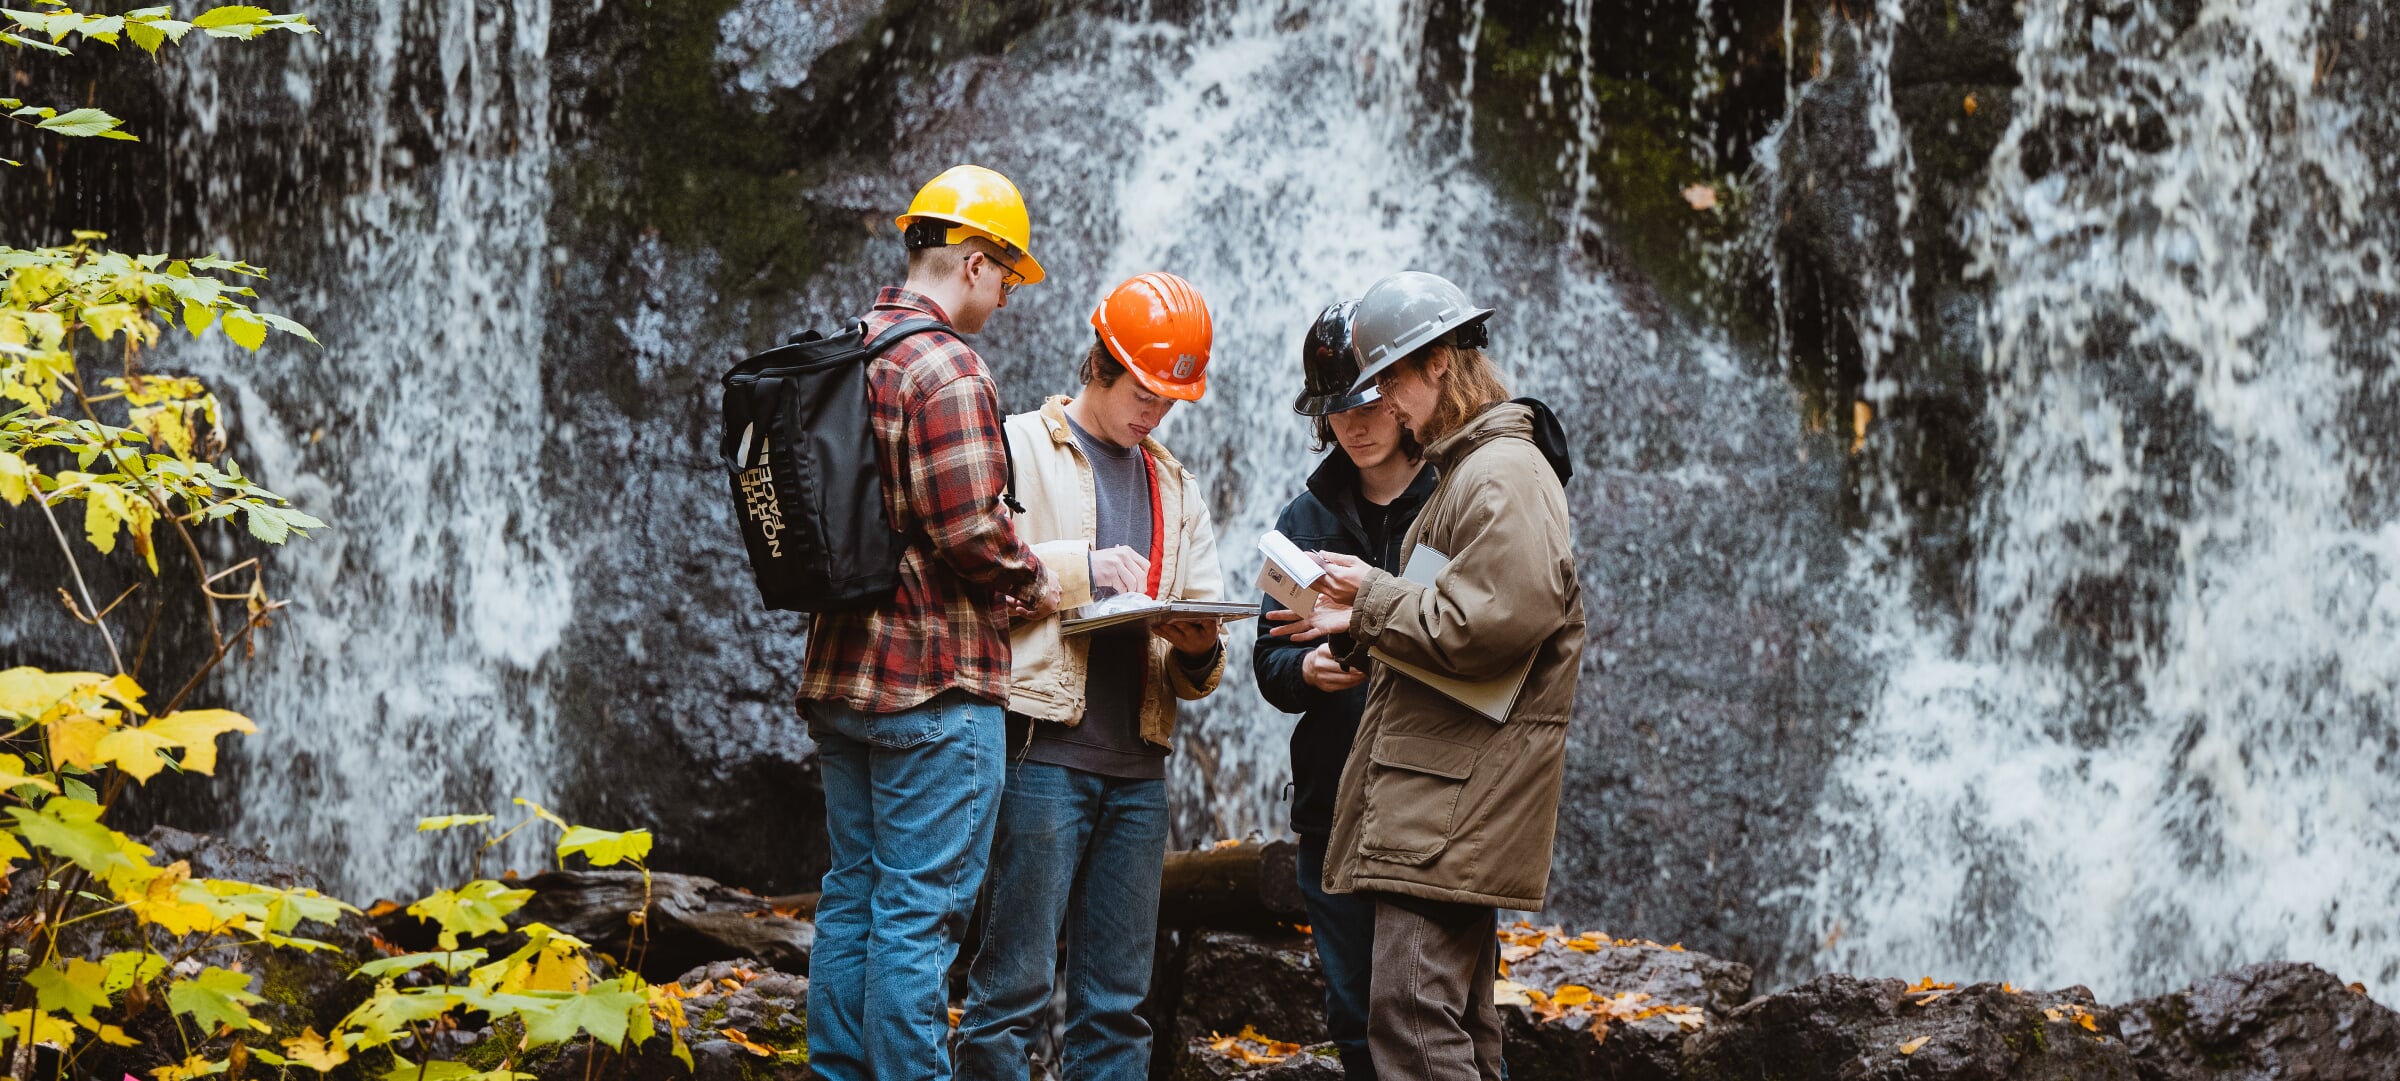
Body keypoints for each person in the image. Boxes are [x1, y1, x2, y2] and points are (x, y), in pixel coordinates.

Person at [1271, 271, 1582, 1081]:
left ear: (1439, 364)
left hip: (1444, 805)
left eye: (1391, 387)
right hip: (1419, 801)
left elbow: (1488, 626)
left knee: (1411, 1019)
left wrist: (1368, 602)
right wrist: (1340, 633)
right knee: (1448, 1025)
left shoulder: (1497, 472)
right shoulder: (1482, 466)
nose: (1385, 412)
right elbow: (1470, 617)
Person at [798, 163, 1062, 1081]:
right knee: (918, 912)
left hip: (841, 676)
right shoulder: (945, 365)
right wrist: (1039, 581)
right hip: (933, 687)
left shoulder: (852, 348)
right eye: (1007, 275)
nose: (1004, 296)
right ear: (978, 260)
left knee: (853, 897)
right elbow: (971, 533)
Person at [956, 271, 1231, 1081]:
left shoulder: (1176, 486)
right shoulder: (1015, 445)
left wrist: (1195, 645)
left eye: (1171, 399)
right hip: (1040, 757)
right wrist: (1080, 570)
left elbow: (1199, 671)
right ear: (1103, 359)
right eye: (1146, 390)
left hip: (1140, 773)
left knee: (1117, 1005)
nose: (1156, 411)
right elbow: (967, 595)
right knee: (1011, 989)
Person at [1251, 300, 1436, 1081]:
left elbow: (1472, 637)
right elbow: (1269, 660)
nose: (1352, 427)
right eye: (1334, 412)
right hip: (1333, 807)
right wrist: (1308, 672)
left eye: (1363, 404)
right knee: (1354, 1017)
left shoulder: (1452, 498)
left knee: (1437, 1018)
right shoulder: (1307, 515)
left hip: (1431, 807)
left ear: (1397, 395)